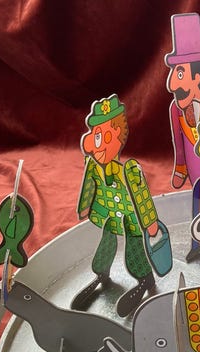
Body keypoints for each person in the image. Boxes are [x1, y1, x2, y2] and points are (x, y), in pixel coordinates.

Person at [72, 94, 160, 316]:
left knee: (134, 250)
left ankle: (144, 278)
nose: (92, 142)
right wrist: (85, 207)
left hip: (131, 220)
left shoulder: (129, 170)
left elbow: (141, 197)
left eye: (99, 135)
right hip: (110, 215)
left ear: (115, 135)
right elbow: (89, 185)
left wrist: (150, 223)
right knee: (107, 241)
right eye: (94, 134)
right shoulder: (93, 165)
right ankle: (102, 272)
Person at [165, 13, 200, 262]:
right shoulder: (175, 111)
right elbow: (179, 144)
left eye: (179, 74)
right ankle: (198, 243)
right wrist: (180, 169)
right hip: (196, 175)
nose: (171, 85)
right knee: (198, 206)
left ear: (197, 78)